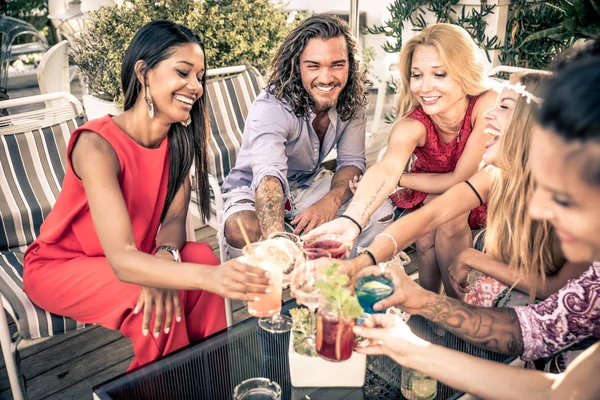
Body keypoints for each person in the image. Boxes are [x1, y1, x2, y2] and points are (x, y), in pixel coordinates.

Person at [23, 21, 271, 371]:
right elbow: (124, 261)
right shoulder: (96, 145)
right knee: (152, 297)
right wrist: (167, 275)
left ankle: (209, 377)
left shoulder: (179, 141)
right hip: (62, 268)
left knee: (199, 254)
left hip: (137, 259)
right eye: (183, 72)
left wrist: (165, 260)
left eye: (200, 77)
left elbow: (172, 221)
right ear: (143, 73)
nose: (195, 87)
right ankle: (166, 386)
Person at [355, 57, 600, 367]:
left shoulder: (582, 200)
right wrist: (366, 259)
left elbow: (556, 289)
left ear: (532, 125)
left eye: (504, 107)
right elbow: (429, 216)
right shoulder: (496, 176)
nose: (487, 114)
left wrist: (472, 258)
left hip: (555, 322)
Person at [304, 23, 497, 298]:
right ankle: (427, 303)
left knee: (450, 217)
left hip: (485, 195)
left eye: (439, 74)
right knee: (427, 229)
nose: (424, 86)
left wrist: (401, 180)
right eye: (417, 75)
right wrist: (352, 220)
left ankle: (456, 309)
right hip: (433, 191)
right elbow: (386, 167)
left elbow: (461, 181)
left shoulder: (487, 104)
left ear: (465, 72)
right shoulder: (414, 124)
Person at [221, 15, 394, 259]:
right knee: (242, 229)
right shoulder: (271, 106)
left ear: (350, 66)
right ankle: (269, 290)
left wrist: (331, 201)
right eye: (313, 66)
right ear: (297, 66)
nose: (326, 78)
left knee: (379, 212)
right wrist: (277, 239)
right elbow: (268, 176)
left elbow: (352, 162)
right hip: (254, 187)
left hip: (308, 181)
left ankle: (346, 281)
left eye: (337, 65)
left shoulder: (351, 100)